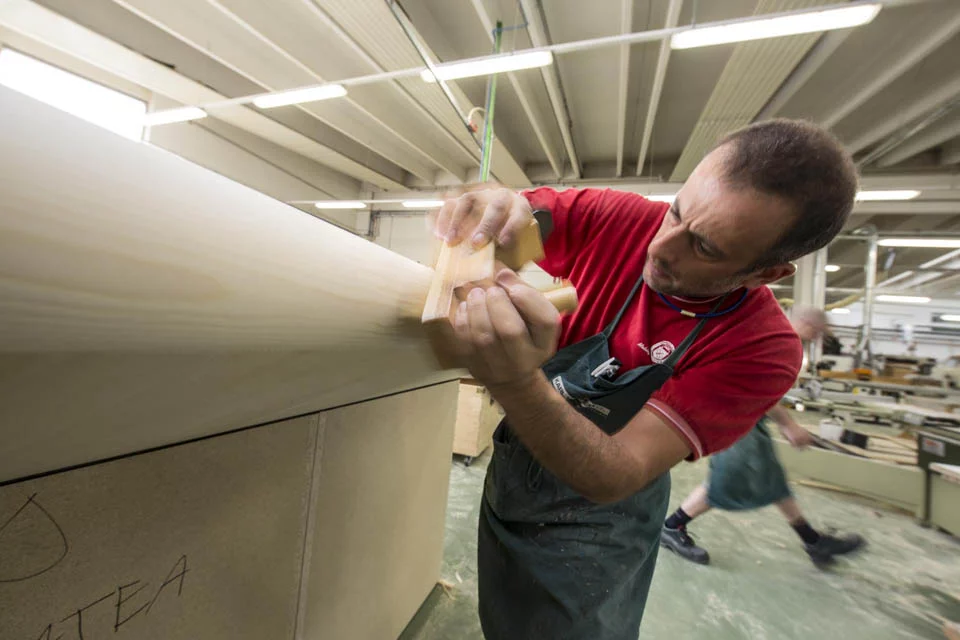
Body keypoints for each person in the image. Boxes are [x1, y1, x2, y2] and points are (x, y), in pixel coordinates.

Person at [433, 119, 858, 640]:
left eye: (704, 247)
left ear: (765, 273)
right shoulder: (624, 219)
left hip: (599, 523)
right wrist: (490, 209)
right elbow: (519, 219)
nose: (660, 248)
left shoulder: (761, 347)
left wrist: (517, 383)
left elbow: (616, 472)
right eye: (676, 211)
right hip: (516, 478)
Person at [660, 307, 866, 568]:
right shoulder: (777, 341)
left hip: (748, 416)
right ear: (807, 324)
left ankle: (812, 541)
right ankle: (672, 526)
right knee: (729, 477)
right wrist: (789, 425)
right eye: (817, 333)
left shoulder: (779, 338)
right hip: (733, 415)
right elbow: (758, 389)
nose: (817, 339)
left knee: (772, 478)